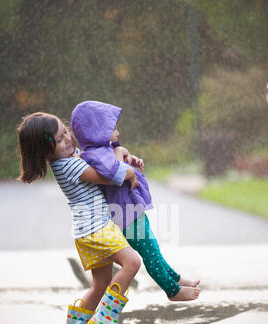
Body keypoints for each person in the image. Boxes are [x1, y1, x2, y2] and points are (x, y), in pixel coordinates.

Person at [16, 112, 142, 324]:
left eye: (65, 131)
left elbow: (102, 163)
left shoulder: (66, 160)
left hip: (86, 232)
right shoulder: (70, 165)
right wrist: (126, 166)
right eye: (60, 139)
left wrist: (118, 152)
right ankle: (106, 318)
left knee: (100, 284)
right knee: (132, 263)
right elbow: (110, 176)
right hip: (97, 229)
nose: (68, 139)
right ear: (46, 150)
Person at [71, 101, 200, 302]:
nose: (117, 132)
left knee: (153, 248)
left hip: (129, 210)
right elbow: (114, 172)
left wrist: (128, 156)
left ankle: (175, 279)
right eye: (113, 129)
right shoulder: (95, 154)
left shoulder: (102, 150)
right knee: (150, 254)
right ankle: (172, 290)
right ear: (97, 131)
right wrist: (125, 163)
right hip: (124, 215)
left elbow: (118, 160)